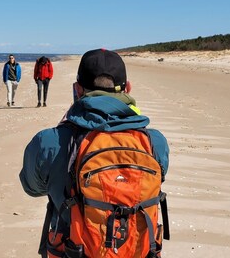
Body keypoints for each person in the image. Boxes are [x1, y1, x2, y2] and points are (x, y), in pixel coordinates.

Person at [19, 49, 169, 257]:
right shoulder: (154, 142)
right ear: (128, 88)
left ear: (77, 90)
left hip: (73, 250)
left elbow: (32, 187)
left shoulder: (49, 141)